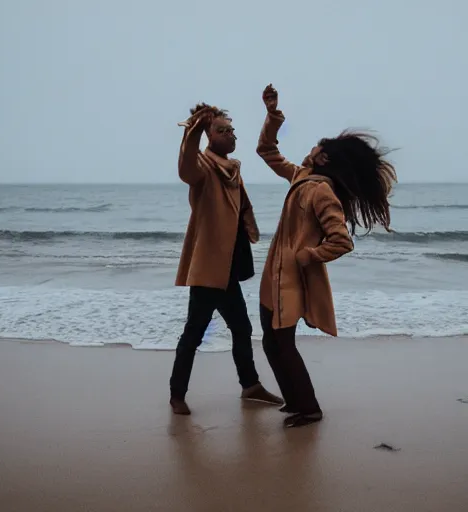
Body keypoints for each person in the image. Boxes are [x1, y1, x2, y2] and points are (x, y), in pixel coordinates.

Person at [256, 84, 397, 428]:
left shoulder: (321, 191)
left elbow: (341, 240)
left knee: (283, 344)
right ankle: (294, 401)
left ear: (324, 157)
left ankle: (310, 408)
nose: (311, 146)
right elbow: (266, 150)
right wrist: (273, 115)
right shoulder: (302, 176)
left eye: (316, 146)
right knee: (270, 342)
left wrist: (307, 256)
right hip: (272, 277)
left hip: (289, 279)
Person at [169, 103, 283, 415]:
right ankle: (177, 395)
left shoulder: (232, 168)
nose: (230, 135)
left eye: (232, 130)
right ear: (208, 135)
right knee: (194, 332)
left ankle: (250, 386)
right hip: (209, 268)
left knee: (242, 328)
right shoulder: (203, 168)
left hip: (229, 268)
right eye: (222, 130)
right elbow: (185, 167)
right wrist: (193, 129)